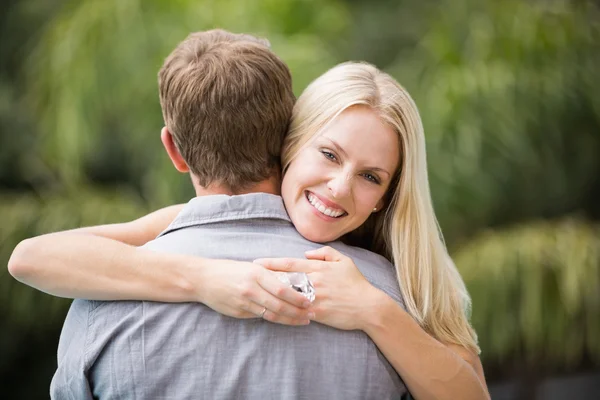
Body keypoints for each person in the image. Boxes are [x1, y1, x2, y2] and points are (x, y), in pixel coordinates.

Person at [8, 31, 490, 400]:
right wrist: (205, 279)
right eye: (328, 154)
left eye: (371, 176)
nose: (339, 186)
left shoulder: (405, 284)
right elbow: (30, 257)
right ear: (288, 142)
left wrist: (375, 311)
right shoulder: (394, 285)